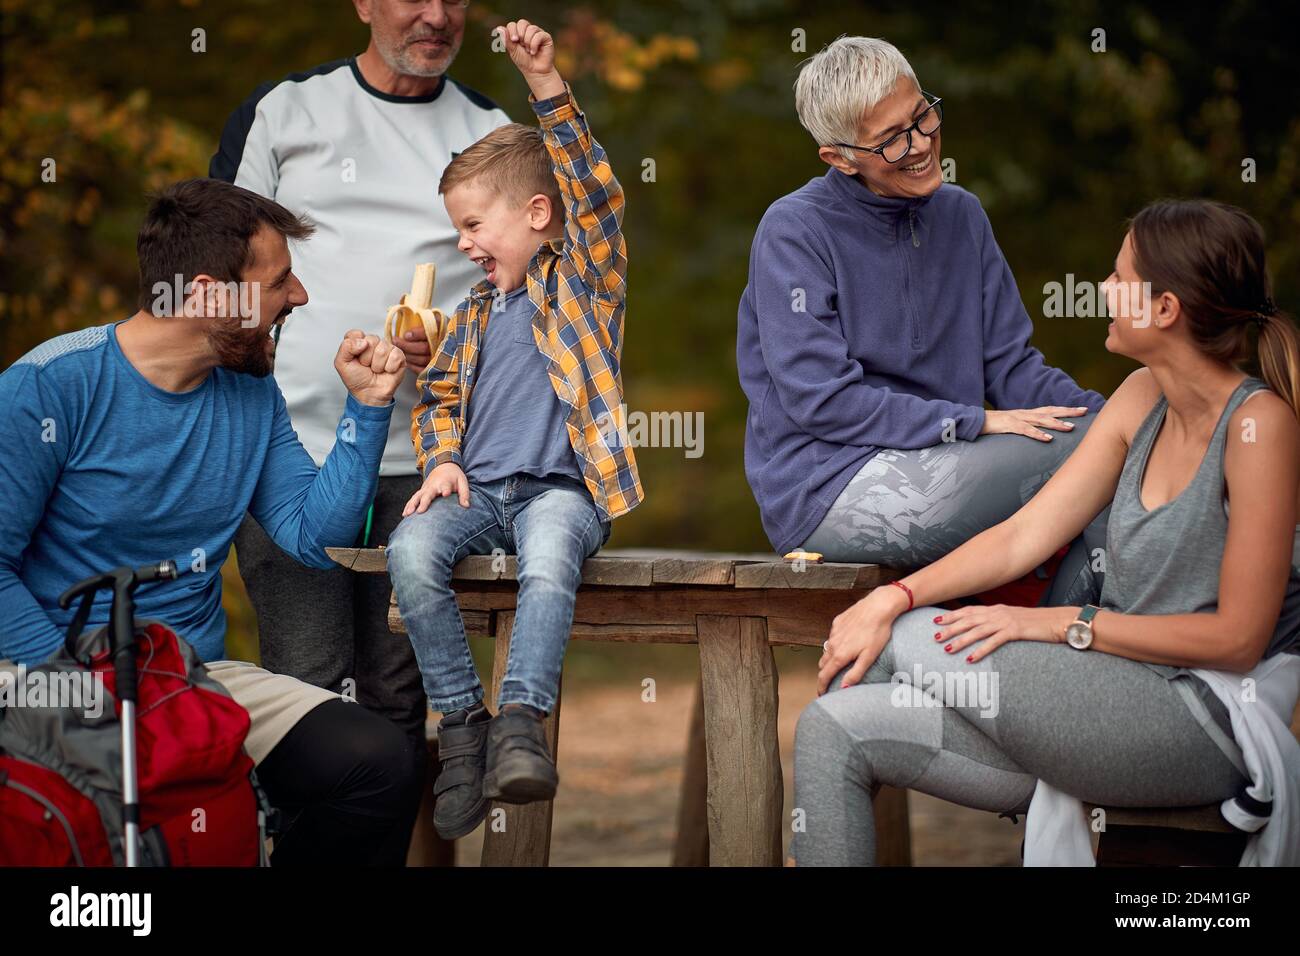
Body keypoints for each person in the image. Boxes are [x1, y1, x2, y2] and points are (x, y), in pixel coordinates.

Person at [794, 199, 1300, 866]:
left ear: (1167, 309)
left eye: (1120, 278)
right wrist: (894, 596)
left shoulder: (1258, 428)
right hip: (1098, 709)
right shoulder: (1141, 397)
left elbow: (1236, 641)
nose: (1104, 291)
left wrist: (1066, 622)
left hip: (1201, 721)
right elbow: (1023, 534)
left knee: (908, 640)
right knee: (831, 727)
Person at [0, 178, 420, 865]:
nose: (301, 297)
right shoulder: (47, 390)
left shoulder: (250, 394)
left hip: (193, 676)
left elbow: (315, 540)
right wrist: (77, 685)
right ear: (206, 295)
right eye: (279, 280)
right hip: (40, 668)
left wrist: (369, 409)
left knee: (375, 762)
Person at [208, 0, 511, 828]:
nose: (437, 14)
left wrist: (448, 352)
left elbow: (526, 299)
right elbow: (219, 273)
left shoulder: (492, 127)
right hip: (289, 455)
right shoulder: (285, 113)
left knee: (395, 695)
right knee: (307, 688)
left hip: (433, 460)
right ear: (364, 4)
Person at [385, 19, 642, 840]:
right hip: (480, 491)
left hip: (561, 491)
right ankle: (464, 726)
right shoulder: (466, 316)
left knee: (550, 555)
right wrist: (442, 463)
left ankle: (523, 721)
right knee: (411, 551)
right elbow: (437, 408)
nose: (463, 245)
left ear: (536, 214)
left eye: (473, 226)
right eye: (457, 230)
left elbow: (594, 195)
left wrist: (544, 85)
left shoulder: (584, 284)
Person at [736, 36, 1106, 603]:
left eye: (922, 117)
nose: (920, 145)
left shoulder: (962, 216)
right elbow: (823, 401)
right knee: (1103, 451)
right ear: (840, 157)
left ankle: (1061, 662)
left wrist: (1123, 416)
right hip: (829, 488)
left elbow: (1012, 367)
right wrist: (972, 422)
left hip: (951, 458)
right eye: (890, 140)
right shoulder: (794, 231)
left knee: (1121, 454)